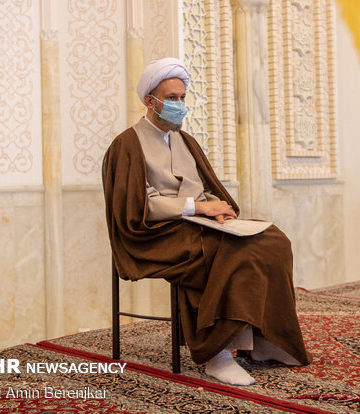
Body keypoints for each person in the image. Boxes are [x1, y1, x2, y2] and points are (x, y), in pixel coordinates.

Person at [103, 57, 311, 386]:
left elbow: (206, 189)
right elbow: (139, 207)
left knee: (273, 241)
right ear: (149, 100)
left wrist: (217, 206)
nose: (179, 105)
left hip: (198, 224)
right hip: (154, 235)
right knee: (226, 251)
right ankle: (219, 355)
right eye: (171, 98)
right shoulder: (127, 145)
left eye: (183, 98)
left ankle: (266, 341)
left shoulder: (186, 141)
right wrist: (199, 210)